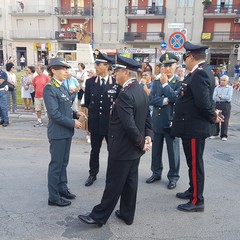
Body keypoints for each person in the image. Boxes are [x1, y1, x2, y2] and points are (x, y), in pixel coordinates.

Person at [78, 54, 153, 227]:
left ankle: (98, 217)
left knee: (113, 183)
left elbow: (129, 125)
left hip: (123, 147)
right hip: (134, 149)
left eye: (117, 71)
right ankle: (127, 214)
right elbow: (147, 119)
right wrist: (147, 138)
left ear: (126, 73)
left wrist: (142, 142)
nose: (115, 74)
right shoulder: (140, 90)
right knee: (130, 182)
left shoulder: (126, 94)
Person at [171, 41, 224, 212]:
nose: (184, 60)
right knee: (192, 162)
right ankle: (192, 190)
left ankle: (197, 200)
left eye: (185, 57)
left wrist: (213, 117)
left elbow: (203, 103)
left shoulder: (199, 74)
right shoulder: (197, 73)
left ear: (191, 57)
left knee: (195, 164)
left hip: (194, 128)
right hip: (190, 127)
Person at [43, 58, 85, 207]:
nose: (66, 71)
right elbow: (54, 113)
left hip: (66, 132)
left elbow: (65, 108)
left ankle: (62, 188)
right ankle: (53, 197)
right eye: (63, 68)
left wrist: (75, 114)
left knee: (63, 163)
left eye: (67, 69)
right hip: (58, 133)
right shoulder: (49, 88)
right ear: (53, 70)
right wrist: (73, 122)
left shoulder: (61, 87)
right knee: (56, 164)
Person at [83, 49, 120, 187]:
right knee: (95, 151)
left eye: (99, 64)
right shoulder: (90, 82)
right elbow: (87, 102)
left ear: (107, 66)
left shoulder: (116, 83)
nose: (96, 67)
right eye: (96, 64)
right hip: (95, 123)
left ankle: (112, 175)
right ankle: (93, 173)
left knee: (112, 151)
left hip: (110, 125)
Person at [146, 53, 181, 190]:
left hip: (171, 121)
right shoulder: (155, 82)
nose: (166, 69)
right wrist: (165, 101)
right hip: (157, 120)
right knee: (156, 150)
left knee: (173, 151)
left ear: (175, 66)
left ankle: (173, 177)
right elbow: (151, 99)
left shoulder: (179, 82)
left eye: (169, 66)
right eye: (164, 66)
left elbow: (176, 98)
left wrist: (166, 85)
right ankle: (156, 172)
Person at [211, 75, 233, 141]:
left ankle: (223, 135)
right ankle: (215, 133)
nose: (222, 81)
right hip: (217, 104)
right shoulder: (217, 88)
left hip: (226, 104)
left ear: (227, 81)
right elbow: (214, 97)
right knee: (216, 118)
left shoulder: (229, 88)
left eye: (224, 80)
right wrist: (222, 96)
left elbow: (228, 97)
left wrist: (220, 96)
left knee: (225, 120)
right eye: (221, 80)